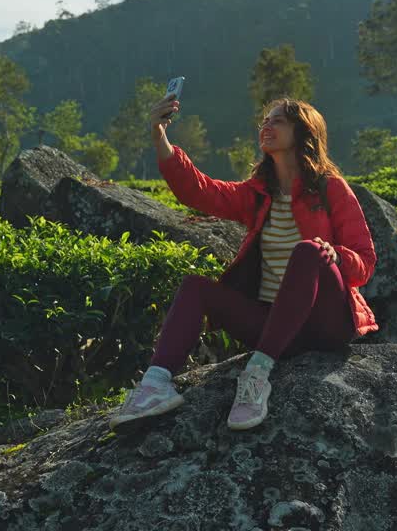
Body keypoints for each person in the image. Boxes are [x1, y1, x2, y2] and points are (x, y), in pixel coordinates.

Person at [109, 94, 378, 431]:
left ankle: (257, 375)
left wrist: (336, 255)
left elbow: (365, 261)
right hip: (271, 324)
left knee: (310, 251)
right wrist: (160, 137)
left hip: (323, 325)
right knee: (196, 287)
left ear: (303, 131)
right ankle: (156, 383)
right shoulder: (257, 193)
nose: (267, 125)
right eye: (265, 120)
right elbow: (200, 191)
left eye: (278, 120)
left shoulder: (331, 189)